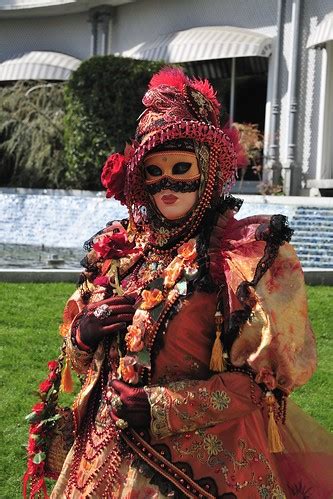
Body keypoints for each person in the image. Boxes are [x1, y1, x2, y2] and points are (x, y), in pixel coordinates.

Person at [25, 68, 333, 498]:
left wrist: (157, 407)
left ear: (206, 167)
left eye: (181, 167)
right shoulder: (122, 250)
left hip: (196, 469)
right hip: (99, 458)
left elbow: (259, 387)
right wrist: (85, 331)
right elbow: (76, 359)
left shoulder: (244, 256)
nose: (167, 184)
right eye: (155, 171)